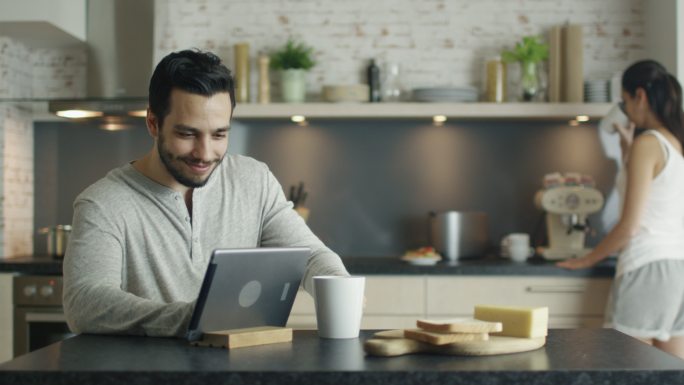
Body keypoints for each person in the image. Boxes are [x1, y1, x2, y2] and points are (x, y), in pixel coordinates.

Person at [62, 49, 349, 337]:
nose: (205, 153)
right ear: (153, 123)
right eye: (187, 134)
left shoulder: (253, 180)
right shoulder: (103, 203)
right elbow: (85, 303)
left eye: (219, 135)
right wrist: (192, 319)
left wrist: (339, 284)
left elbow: (309, 256)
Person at [557, 60, 684, 359]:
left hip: (647, 268)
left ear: (639, 95)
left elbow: (629, 226)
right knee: (673, 372)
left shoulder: (648, 144)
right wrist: (629, 149)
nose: (626, 110)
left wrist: (586, 259)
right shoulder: (674, 144)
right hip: (677, 269)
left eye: (625, 101)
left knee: (624, 369)